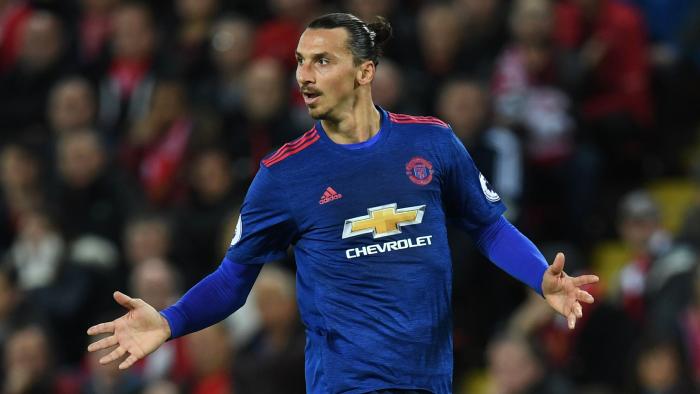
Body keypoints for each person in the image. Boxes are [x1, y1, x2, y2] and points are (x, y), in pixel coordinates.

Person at [87, 13, 599, 394]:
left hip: (430, 379)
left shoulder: (434, 143)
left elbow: (487, 227)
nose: (304, 76)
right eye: (300, 63)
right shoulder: (283, 175)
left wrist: (540, 276)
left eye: (322, 61)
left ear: (364, 71)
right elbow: (233, 279)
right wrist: (170, 321)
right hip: (346, 383)